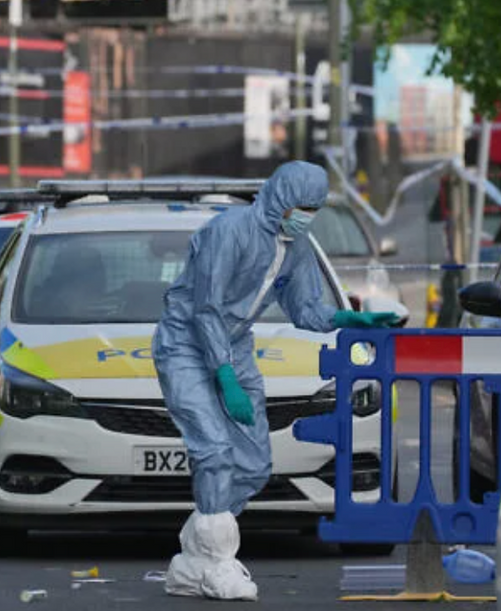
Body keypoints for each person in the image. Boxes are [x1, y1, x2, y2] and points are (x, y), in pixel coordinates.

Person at [151, 161, 400, 601]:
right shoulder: (230, 231)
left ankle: (196, 552)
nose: (308, 214)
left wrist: (350, 318)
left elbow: (305, 309)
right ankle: (216, 563)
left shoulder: (297, 246)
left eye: (315, 207)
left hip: (236, 343)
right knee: (214, 449)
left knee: (254, 463)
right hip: (185, 344)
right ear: (282, 197)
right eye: (303, 205)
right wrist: (224, 375)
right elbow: (206, 308)